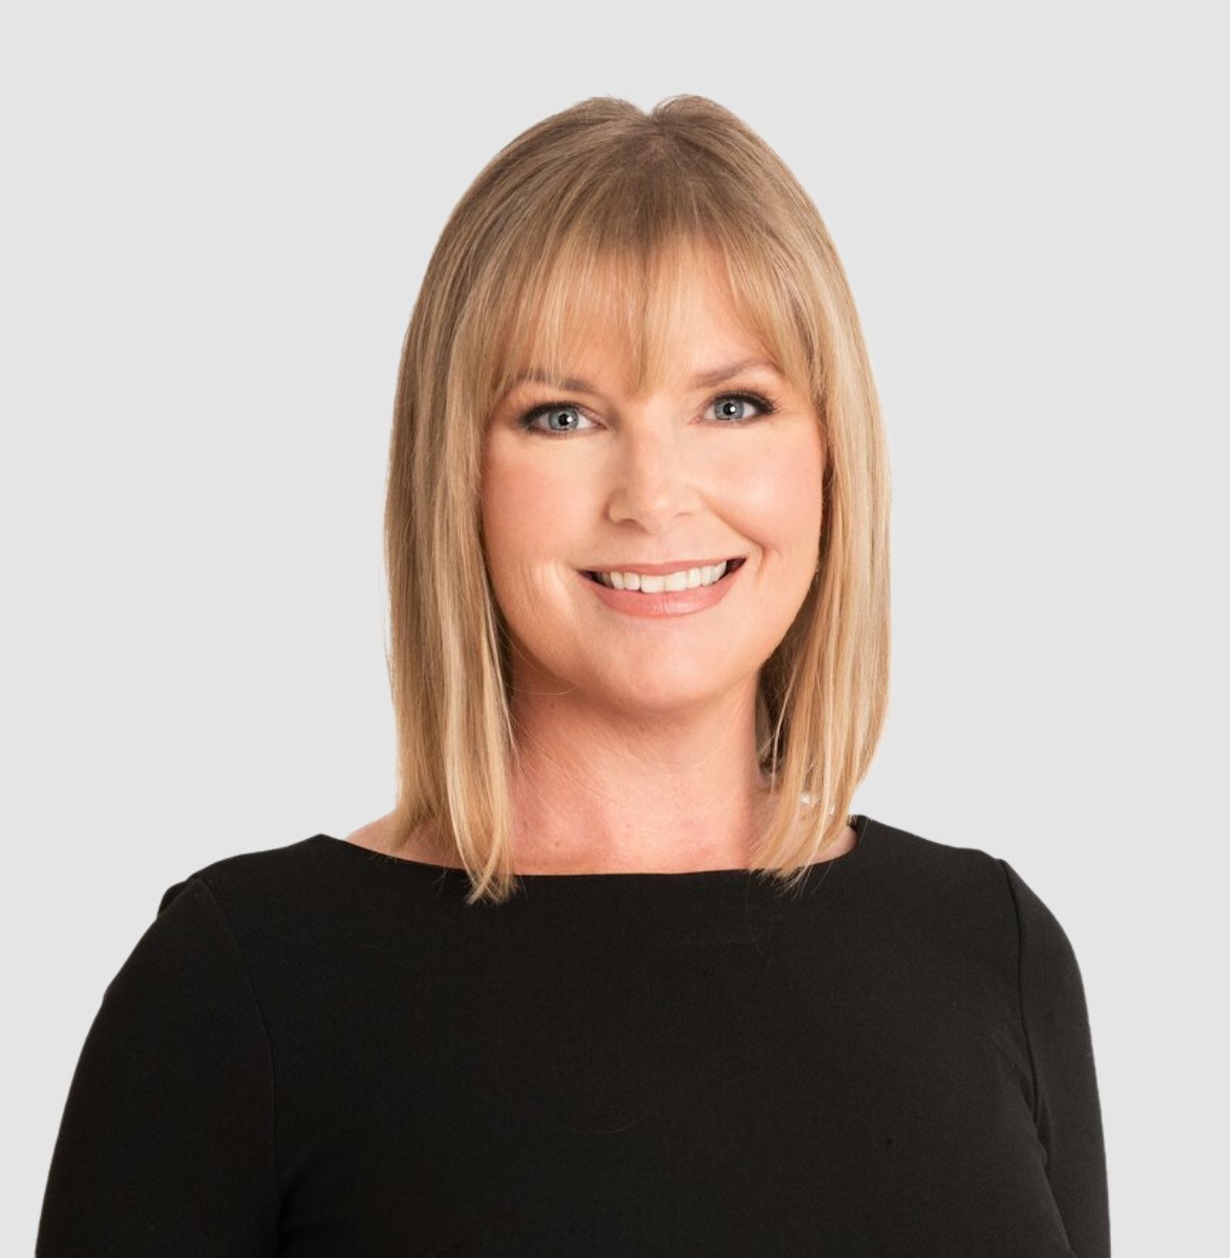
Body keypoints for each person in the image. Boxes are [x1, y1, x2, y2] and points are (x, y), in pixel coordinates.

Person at [36, 96, 1109, 1255]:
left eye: (732, 404)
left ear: (827, 456)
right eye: (560, 415)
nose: (652, 494)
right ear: (456, 473)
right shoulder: (239, 986)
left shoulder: (990, 949)